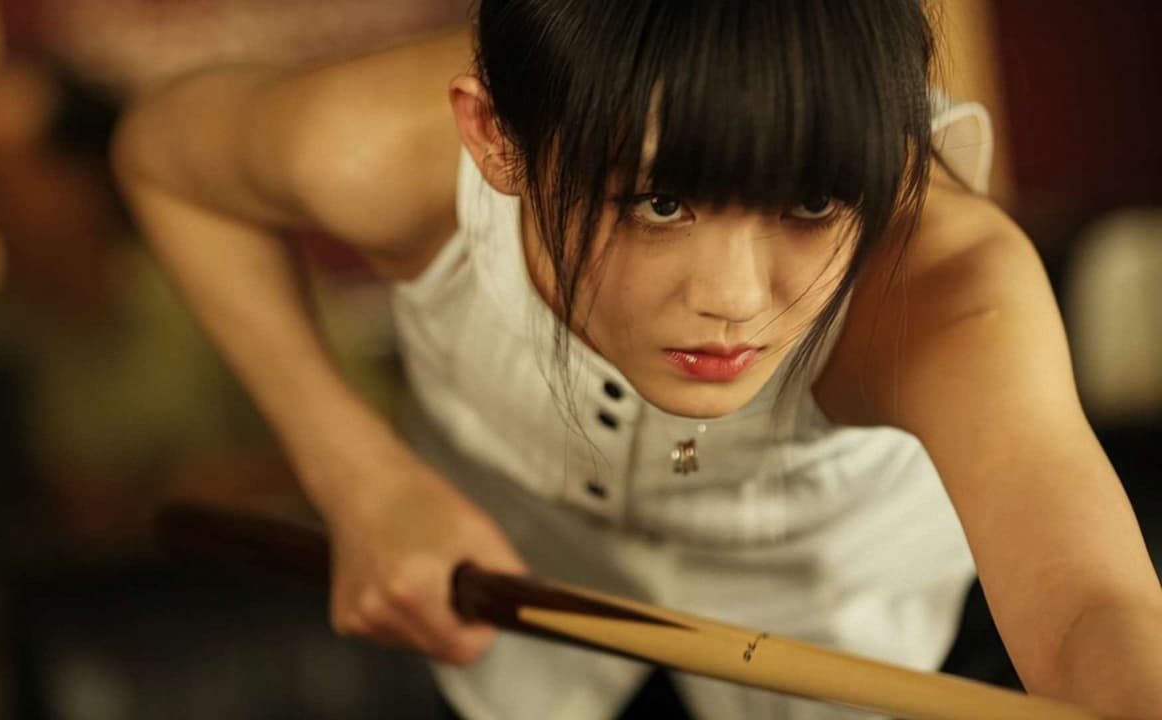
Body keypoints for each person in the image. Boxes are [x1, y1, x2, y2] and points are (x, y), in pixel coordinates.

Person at [113, 2, 1162, 718]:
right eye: (659, 202)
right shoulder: (369, 150)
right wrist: (358, 477)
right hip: (514, 626)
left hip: (862, 649)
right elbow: (161, 158)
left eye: (810, 201)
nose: (734, 299)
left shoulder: (946, 284)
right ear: (496, 137)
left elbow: (1091, 606)